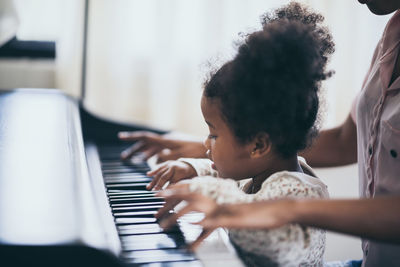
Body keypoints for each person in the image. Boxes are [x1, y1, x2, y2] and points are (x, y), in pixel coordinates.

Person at [119, 0, 400, 266]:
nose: (207, 142)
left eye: (213, 134)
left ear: (258, 145)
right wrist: (191, 167)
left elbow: (275, 239)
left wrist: (216, 196)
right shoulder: (268, 173)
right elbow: (343, 142)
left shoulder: (296, 191)